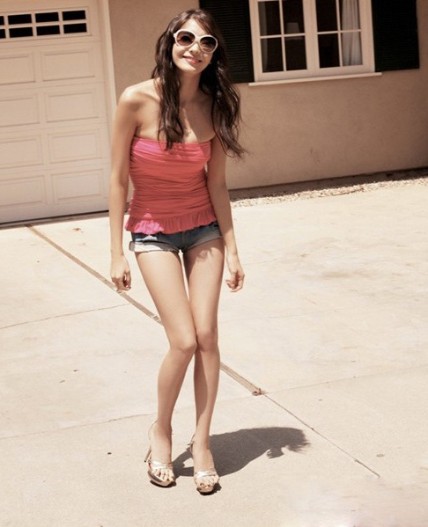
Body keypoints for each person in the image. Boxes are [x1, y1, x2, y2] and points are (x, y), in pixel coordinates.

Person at [108, 8, 245, 494]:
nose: (195, 49)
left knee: (207, 335)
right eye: (186, 38)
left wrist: (233, 249)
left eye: (207, 43)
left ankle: (202, 443)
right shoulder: (136, 100)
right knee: (183, 339)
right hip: (152, 232)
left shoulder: (215, 105)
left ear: (214, 54)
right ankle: (161, 430)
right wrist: (116, 252)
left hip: (204, 229)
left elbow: (218, 184)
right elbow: (117, 180)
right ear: (170, 43)